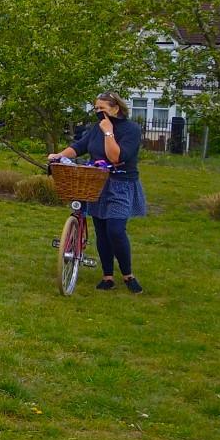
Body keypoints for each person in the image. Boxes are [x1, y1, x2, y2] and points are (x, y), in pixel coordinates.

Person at [47, 91, 148, 294]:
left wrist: (109, 132)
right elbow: (79, 147)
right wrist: (59, 155)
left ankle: (128, 275)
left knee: (115, 229)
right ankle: (107, 276)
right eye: (96, 109)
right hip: (96, 182)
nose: (98, 112)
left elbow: (116, 158)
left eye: (102, 108)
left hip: (120, 184)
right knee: (101, 229)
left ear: (115, 108)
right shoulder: (96, 129)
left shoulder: (131, 130)